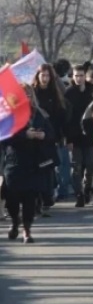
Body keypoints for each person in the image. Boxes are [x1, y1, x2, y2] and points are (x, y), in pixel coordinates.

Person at [2, 85, 54, 244]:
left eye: (30, 95)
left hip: (34, 164)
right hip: (14, 163)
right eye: (25, 96)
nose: (28, 98)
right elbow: (5, 138)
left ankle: (27, 230)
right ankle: (14, 223)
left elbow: (52, 134)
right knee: (12, 199)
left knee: (30, 199)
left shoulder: (39, 114)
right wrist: (26, 135)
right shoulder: (10, 116)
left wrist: (43, 135)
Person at [32, 64, 67, 208]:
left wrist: (61, 136)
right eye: (42, 75)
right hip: (34, 137)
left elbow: (60, 117)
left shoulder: (55, 93)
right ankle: (37, 198)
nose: (45, 78)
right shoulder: (33, 92)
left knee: (49, 167)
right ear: (38, 76)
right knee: (35, 168)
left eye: (47, 76)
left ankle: (47, 196)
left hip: (50, 137)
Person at [64, 64, 93, 207]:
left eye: (81, 75)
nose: (79, 78)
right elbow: (66, 118)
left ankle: (88, 189)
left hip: (90, 135)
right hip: (74, 136)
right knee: (76, 168)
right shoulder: (68, 93)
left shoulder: (92, 90)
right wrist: (68, 138)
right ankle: (79, 194)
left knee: (90, 165)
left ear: (85, 76)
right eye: (76, 76)